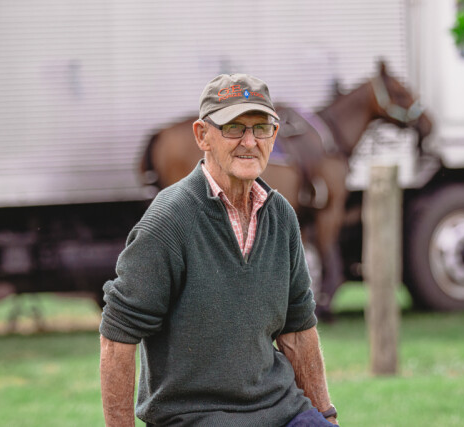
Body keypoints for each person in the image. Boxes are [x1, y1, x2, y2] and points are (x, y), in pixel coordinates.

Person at [99, 73, 338, 426]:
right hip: (197, 419)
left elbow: (298, 332)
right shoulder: (168, 221)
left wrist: (326, 417)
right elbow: (117, 339)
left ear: (274, 135)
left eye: (261, 128)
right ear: (202, 136)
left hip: (283, 411)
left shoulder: (281, 215)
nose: (249, 141)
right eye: (233, 128)